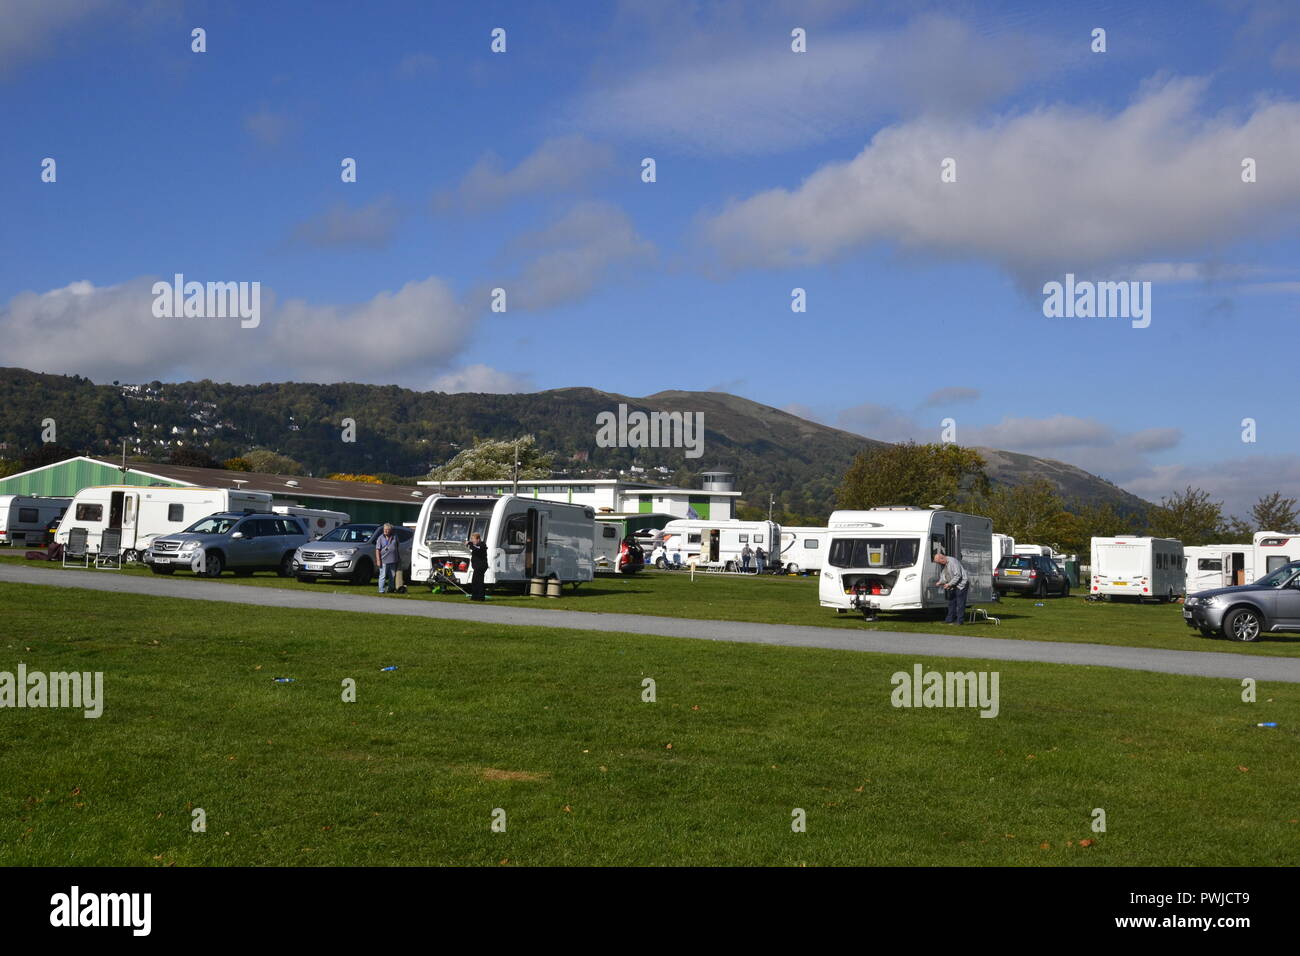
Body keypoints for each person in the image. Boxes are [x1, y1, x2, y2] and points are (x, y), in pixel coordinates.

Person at [932, 551, 969, 625]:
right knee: (951, 602)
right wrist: (940, 582)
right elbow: (944, 576)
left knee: (960, 603)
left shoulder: (953, 562)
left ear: (942, 558)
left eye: (939, 562)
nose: (939, 564)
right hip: (953, 585)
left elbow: (958, 575)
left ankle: (959, 621)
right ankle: (949, 620)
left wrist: (949, 584)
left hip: (961, 584)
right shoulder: (944, 564)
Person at [375, 524, 402, 594]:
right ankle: (381, 590)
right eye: (384, 529)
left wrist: (398, 558)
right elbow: (377, 550)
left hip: (393, 560)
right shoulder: (380, 538)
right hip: (383, 561)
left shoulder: (395, 537)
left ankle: (391, 589)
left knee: (392, 576)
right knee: (382, 576)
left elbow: (397, 547)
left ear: (391, 531)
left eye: (387, 529)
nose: (386, 531)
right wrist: (378, 560)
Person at [468, 531, 488, 601]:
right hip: (477, 566)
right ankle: (475, 596)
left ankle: (480, 597)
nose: (472, 541)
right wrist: (469, 544)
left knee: (478, 581)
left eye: (473, 539)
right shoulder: (475, 546)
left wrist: (470, 544)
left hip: (481, 566)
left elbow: (476, 548)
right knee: (475, 581)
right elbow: (473, 547)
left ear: (478, 539)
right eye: (472, 539)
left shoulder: (482, 545)